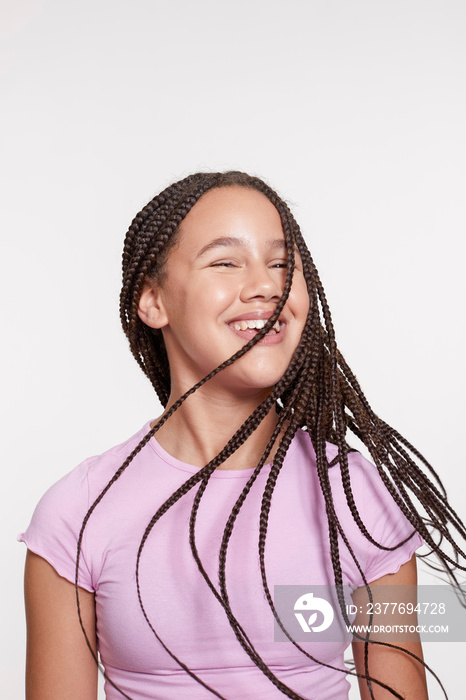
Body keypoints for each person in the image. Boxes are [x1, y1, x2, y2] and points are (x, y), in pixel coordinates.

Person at [20, 171, 465, 700]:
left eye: (281, 264)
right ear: (153, 302)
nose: (266, 285)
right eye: (226, 261)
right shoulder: (77, 513)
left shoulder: (357, 496)